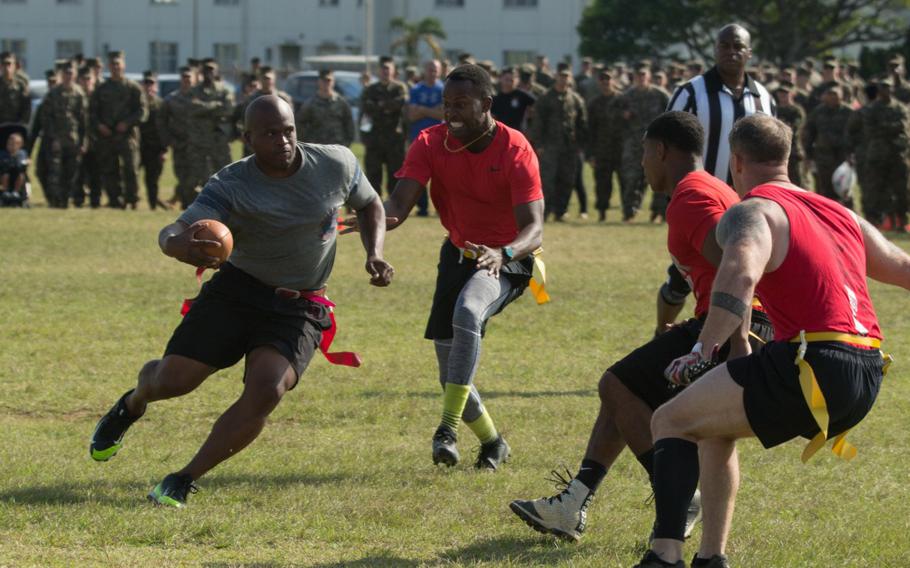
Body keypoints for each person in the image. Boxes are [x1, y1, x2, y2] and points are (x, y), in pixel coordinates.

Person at [89, 95, 394, 507]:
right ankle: (131, 404)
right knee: (173, 381)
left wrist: (374, 253)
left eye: (288, 131)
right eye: (270, 134)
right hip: (237, 292)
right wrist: (175, 243)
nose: (283, 141)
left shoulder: (334, 163)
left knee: (267, 389)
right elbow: (176, 229)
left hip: (300, 304)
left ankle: (182, 479)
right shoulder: (231, 183)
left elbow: (371, 202)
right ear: (247, 138)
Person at [636, 114, 897, 568]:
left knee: (670, 420)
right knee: (708, 427)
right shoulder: (840, 212)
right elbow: (903, 264)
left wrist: (702, 348)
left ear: (735, 161)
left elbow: (739, 274)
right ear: (788, 158)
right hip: (868, 369)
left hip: (813, 363)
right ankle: (711, 557)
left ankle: (664, 556)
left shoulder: (753, 211)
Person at [510, 111, 772, 543]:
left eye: (644, 153)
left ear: (661, 150)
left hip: (737, 326)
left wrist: (727, 338)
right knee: (624, 387)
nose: (641, 163)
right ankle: (573, 502)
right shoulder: (709, 188)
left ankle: (678, 495)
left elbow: (737, 267)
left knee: (616, 384)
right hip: (732, 321)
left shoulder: (692, 197)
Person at [372, 64, 544, 470]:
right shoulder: (431, 142)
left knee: (468, 310)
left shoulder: (515, 148)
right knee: (449, 373)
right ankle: (493, 442)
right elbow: (397, 206)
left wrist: (503, 254)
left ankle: (445, 429)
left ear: (487, 104)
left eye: (462, 105)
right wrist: (367, 220)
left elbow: (534, 229)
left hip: (507, 260)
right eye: (447, 104)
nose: (451, 112)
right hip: (457, 255)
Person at [668, 24, 775, 186]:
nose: (731, 51)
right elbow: (666, 145)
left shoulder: (764, 98)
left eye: (738, 46)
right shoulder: (689, 93)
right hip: (701, 195)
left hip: (750, 199)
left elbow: (771, 152)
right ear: (715, 50)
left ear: (749, 53)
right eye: (724, 45)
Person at [89, 50, 148, 209]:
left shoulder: (133, 87)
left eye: (118, 64)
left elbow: (142, 111)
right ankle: (115, 200)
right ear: (109, 66)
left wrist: (127, 123)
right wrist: (100, 125)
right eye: (113, 64)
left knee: (131, 169)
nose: (116, 67)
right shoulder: (102, 88)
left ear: (123, 65)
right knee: (110, 169)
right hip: (107, 136)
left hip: (127, 136)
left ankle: (132, 199)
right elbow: (92, 112)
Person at [529, 67, 587, 222]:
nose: (564, 79)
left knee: (567, 180)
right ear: (556, 77)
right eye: (561, 76)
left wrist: (581, 145)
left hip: (569, 148)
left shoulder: (575, 99)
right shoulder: (545, 98)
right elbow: (537, 124)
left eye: (567, 76)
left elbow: (582, 124)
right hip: (549, 147)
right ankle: (545, 211)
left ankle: (561, 212)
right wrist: (539, 145)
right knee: (547, 181)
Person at [617, 62, 670, 222]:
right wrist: (622, 114)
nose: (641, 78)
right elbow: (612, 112)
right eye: (638, 75)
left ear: (648, 77)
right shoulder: (627, 95)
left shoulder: (660, 94)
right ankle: (629, 212)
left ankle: (658, 212)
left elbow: (674, 111)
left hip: (656, 144)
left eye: (643, 75)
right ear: (634, 77)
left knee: (658, 178)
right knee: (631, 179)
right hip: (633, 144)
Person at [858, 78, 910, 231]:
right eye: (883, 88)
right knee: (876, 189)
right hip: (878, 155)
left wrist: (885, 127)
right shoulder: (872, 109)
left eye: (888, 87)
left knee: (901, 189)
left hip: (898, 155)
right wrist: (893, 127)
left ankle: (902, 221)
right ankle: (875, 222)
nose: (886, 91)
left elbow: (905, 128)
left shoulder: (900, 107)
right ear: (879, 91)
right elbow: (870, 130)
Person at [42, 61, 88, 209]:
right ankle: (55, 201)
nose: (68, 76)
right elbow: (46, 119)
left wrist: (83, 143)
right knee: (55, 173)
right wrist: (53, 138)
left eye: (71, 73)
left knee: (71, 173)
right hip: (57, 140)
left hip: (73, 141)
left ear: (74, 74)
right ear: (61, 74)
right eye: (66, 73)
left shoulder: (79, 94)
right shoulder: (53, 94)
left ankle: (65, 201)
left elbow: (84, 121)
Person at [360, 58, 408, 197]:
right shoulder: (371, 89)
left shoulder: (399, 88)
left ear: (393, 71)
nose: (386, 71)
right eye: (383, 69)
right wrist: (387, 106)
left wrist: (379, 105)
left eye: (388, 69)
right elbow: (366, 107)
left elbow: (401, 102)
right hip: (375, 139)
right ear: (378, 71)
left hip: (395, 140)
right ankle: (373, 207)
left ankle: (393, 206)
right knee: (373, 175)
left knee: (395, 174)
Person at [803, 83, 853, 207]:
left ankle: (849, 217)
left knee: (845, 189)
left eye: (835, 94)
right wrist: (808, 154)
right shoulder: (818, 112)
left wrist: (852, 153)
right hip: (823, 157)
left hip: (843, 158)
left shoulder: (849, 112)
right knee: (824, 189)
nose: (831, 97)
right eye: (829, 94)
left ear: (841, 96)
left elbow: (856, 133)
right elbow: (809, 132)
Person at [188, 59, 235, 190]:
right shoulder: (194, 91)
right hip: (200, 139)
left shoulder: (225, 90)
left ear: (216, 72)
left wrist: (203, 108)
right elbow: (192, 108)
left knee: (224, 173)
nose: (209, 73)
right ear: (202, 72)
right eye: (206, 70)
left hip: (219, 138)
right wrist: (215, 105)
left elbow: (228, 109)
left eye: (212, 70)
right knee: (200, 174)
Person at [407, 60, 445, 217]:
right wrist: (432, 110)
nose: (432, 73)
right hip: (419, 137)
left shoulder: (444, 89)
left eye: (435, 70)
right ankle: (422, 207)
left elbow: (443, 114)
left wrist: (422, 109)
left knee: (441, 175)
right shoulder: (416, 90)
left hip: (440, 138)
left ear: (440, 71)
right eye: (430, 69)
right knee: (419, 174)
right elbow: (412, 115)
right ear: (424, 70)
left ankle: (441, 207)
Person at [586, 69, 623, 221]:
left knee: (625, 183)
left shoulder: (623, 100)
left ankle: (628, 213)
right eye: (602, 80)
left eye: (608, 79)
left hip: (621, 149)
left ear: (613, 81)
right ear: (599, 83)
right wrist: (590, 154)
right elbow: (590, 130)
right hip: (601, 151)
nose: (606, 82)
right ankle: (602, 212)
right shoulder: (594, 103)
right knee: (602, 184)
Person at [160, 66, 198, 209]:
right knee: (181, 174)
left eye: (189, 77)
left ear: (194, 79)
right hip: (179, 144)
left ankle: (188, 203)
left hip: (197, 144)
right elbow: (161, 120)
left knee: (195, 175)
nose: (187, 80)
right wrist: (167, 139)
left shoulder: (200, 98)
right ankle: (184, 203)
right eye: (184, 77)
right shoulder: (171, 99)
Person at [297, 68, 354, 147]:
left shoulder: (341, 103)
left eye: (328, 81)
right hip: (318, 147)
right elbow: (300, 124)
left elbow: (349, 123)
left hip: (337, 147)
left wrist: (347, 143)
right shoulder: (310, 103)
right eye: (323, 81)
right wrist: (307, 143)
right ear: (319, 82)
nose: (326, 83)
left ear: (333, 82)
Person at [139, 71, 168, 210]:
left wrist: (164, 150)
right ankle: (131, 202)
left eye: (152, 83)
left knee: (152, 179)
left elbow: (165, 129)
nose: (149, 86)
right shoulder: (136, 103)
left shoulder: (161, 104)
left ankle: (152, 205)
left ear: (156, 86)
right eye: (146, 83)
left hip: (155, 148)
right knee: (131, 176)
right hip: (138, 146)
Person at [773, 82, 805, 187]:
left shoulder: (796, 110)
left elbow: (794, 129)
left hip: (793, 151)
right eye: (780, 93)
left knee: (797, 182)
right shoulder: (774, 109)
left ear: (791, 94)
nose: (782, 95)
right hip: (776, 150)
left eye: (785, 93)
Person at [491, 66, 536, 132]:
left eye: (512, 80)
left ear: (517, 81)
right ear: (500, 79)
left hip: (518, 133)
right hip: (501, 133)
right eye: (506, 79)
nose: (509, 83)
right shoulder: (496, 98)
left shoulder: (522, 95)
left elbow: (538, 105)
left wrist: (530, 116)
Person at [0, 52, 31, 126]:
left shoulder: (21, 86)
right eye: (3, 64)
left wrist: (21, 125)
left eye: (9, 64)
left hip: (16, 128)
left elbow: (26, 110)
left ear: (14, 66)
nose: (6, 67)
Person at [0, 131, 30, 207]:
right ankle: (5, 191)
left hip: (17, 172)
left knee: (21, 175)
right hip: (5, 171)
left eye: (14, 145)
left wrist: (27, 162)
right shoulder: (3, 153)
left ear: (20, 145)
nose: (11, 147)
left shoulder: (22, 153)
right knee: (5, 174)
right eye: (9, 144)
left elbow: (26, 161)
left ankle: (16, 191)